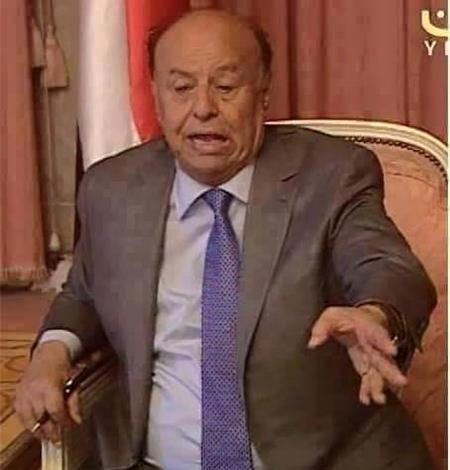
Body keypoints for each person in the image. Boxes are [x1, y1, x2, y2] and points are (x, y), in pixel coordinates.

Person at [15, 8, 436, 470]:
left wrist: (374, 313)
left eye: (226, 86)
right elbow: (85, 293)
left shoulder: (332, 175)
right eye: (181, 88)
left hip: (327, 459)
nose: (203, 108)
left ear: (263, 93)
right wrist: (51, 353)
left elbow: (387, 266)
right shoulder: (112, 189)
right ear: (155, 96)